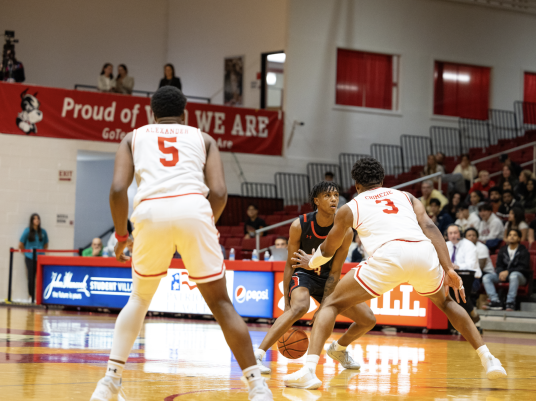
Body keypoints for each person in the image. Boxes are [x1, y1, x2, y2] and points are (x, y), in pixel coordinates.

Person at [90, 86, 271, 401]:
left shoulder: (133, 137)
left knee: (138, 300)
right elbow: (219, 193)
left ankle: (108, 383)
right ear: (186, 114)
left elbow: (118, 189)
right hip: (193, 209)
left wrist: (121, 236)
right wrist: (202, 221)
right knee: (222, 305)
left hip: (150, 213)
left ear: (151, 114)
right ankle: (258, 387)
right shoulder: (204, 139)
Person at [284, 157, 507, 389]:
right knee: (447, 303)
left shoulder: (350, 207)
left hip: (389, 256)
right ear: (382, 180)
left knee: (331, 304)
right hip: (422, 252)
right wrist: (448, 267)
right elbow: (430, 227)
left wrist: (312, 261)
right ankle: (489, 359)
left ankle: (309, 371)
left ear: (357, 185)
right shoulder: (406, 197)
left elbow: (329, 248)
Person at [254, 181, 375, 374]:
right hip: (304, 274)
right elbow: (290, 266)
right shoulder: (299, 225)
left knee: (368, 319)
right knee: (300, 306)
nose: (334, 199)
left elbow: (335, 272)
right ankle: (257, 356)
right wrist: (286, 302)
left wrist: (324, 306)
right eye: (328, 196)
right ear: (316, 201)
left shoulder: (345, 231)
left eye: (336, 195)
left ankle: (339, 349)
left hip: (328, 279)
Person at [482, 229, 530, 311]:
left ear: (519, 238)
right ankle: (495, 301)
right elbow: (499, 265)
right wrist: (500, 272)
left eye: (514, 235)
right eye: (510, 235)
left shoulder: (523, 251)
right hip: (503, 275)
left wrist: (508, 272)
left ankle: (510, 302)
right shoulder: (503, 250)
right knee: (486, 277)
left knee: (513, 275)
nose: (511, 237)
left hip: (520, 277)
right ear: (507, 238)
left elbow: (523, 267)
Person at [446, 225, 481, 323]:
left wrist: (457, 266)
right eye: (450, 233)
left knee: (456, 289)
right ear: (447, 235)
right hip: (452, 278)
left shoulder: (469, 245)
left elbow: (471, 265)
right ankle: (471, 314)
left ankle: (468, 316)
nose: (453, 236)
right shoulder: (445, 245)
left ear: (460, 234)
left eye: (455, 233)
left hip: (472, 278)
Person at [18, 213, 48, 303]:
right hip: (30, 257)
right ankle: (31, 296)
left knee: (41, 277)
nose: (37, 220)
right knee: (31, 277)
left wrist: (41, 252)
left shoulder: (43, 232)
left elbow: (46, 244)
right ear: (32, 221)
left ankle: (40, 296)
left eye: (38, 218)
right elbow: (20, 244)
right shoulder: (27, 231)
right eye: (35, 219)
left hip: (40, 258)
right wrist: (26, 253)